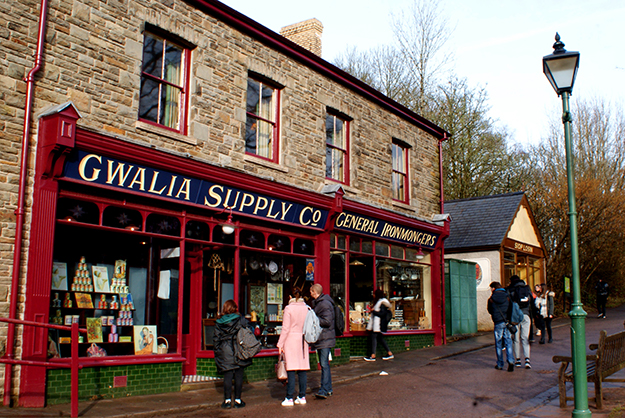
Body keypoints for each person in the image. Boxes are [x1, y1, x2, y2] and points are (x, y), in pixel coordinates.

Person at [213, 300, 253, 409]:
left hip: (225, 350)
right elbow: (249, 332)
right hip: (239, 349)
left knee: (228, 376)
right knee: (239, 375)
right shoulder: (240, 320)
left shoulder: (219, 322)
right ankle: (238, 400)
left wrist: (218, 352)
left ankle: (227, 401)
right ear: (235, 309)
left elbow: (216, 339)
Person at [277, 287, 310, 406]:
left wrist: (280, 344)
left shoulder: (288, 308)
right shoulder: (307, 308)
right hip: (303, 340)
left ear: (290, 297)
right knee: (302, 370)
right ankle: (302, 396)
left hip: (291, 340)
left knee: (290, 369)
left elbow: (285, 328)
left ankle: (289, 397)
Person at [309, 283, 335, 399]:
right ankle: (328, 388)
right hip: (323, 338)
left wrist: (314, 320)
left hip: (325, 338)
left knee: (324, 364)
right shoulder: (321, 303)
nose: (310, 294)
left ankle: (324, 390)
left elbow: (327, 321)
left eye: (311, 292)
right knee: (325, 364)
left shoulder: (324, 304)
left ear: (315, 292)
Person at [487, 282, 515, 372]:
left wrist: (495, 316)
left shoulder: (491, 299)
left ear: (494, 288)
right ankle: (510, 361)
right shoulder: (507, 297)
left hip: (498, 322)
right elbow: (511, 309)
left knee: (498, 343)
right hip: (506, 322)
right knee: (508, 342)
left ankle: (500, 364)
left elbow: (490, 310)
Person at [507, 275, 533, 369]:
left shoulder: (510, 290)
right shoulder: (526, 289)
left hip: (515, 316)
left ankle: (518, 360)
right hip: (526, 315)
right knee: (525, 338)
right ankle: (527, 360)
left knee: (516, 339)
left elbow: (509, 304)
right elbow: (532, 303)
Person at [364, 289, 393, 361]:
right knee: (380, 338)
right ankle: (389, 353)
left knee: (374, 337)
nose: (373, 295)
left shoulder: (381, 303)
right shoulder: (380, 302)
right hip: (378, 325)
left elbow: (382, 314)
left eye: (374, 294)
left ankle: (373, 355)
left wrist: (374, 311)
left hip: (378, 325)